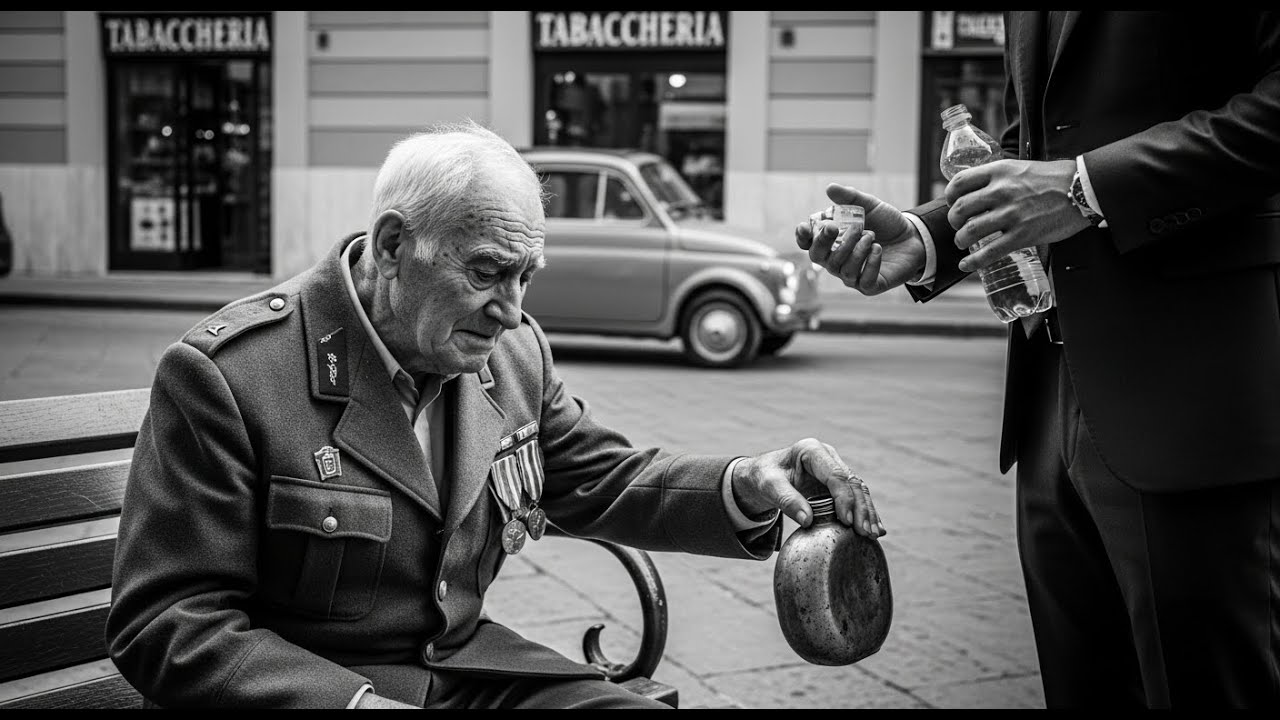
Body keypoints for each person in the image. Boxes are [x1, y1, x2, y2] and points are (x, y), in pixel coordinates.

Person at [105, 120, 886, 710]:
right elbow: (169, 621)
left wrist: (749, 480)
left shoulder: (509, 352)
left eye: (527, 277)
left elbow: (600, 479)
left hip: (473, 671)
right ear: (391, 246)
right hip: (323, 694)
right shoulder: (232, 375)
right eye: (487, 272)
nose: (511, 311)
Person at [796, 10, 1280, 709]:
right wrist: (928, 241)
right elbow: (1029, 152)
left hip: (1194, 396)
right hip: (1047, 406)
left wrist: (1086, 188)